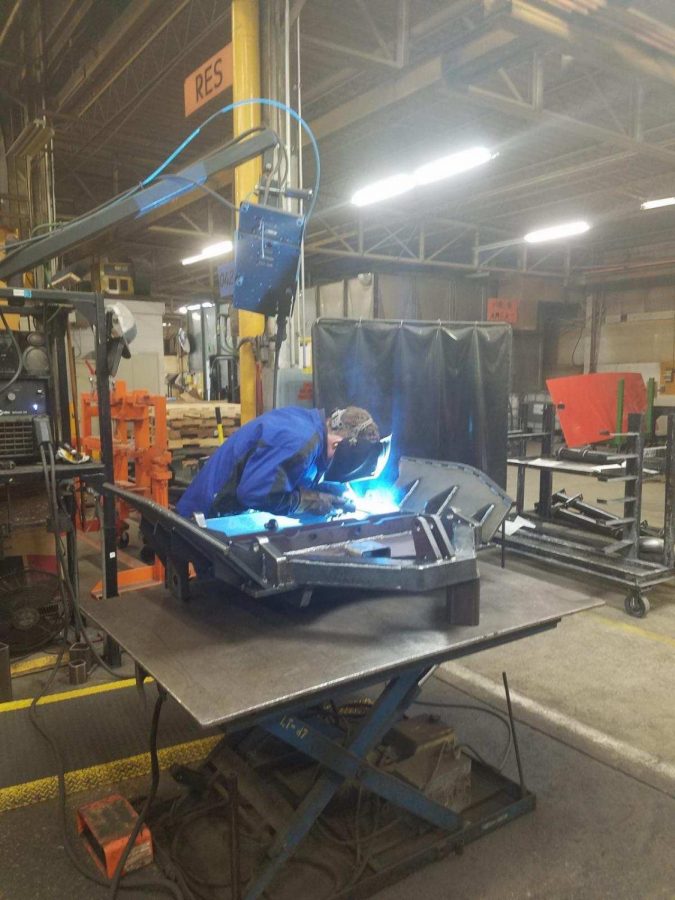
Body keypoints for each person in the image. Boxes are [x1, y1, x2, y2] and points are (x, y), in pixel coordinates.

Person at [176, 405, 386, 520]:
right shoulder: (301, 442)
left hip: (222, 512)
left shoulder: (311, 425)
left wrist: (327, 490)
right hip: (206, 518)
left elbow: (285, 476)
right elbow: (254, 493)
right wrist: (311, 501)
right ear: (338, 445)